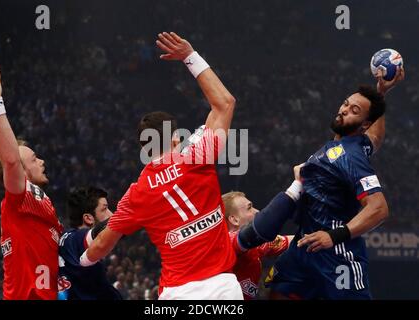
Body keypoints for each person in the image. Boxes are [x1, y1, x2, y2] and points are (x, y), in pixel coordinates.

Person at [79, 32, 241, 300]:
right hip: (222, 287)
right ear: (176, 138)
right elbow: (225, 104)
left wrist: (81, 261)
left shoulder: (136, 194)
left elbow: (102, 245)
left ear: (145, 148)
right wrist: (190, 56)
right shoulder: (198, 156)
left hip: (175, 294)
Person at [265, 67, 405, 299]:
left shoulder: (351, 156)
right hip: (304, 245)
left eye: (354, 110)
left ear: (364, 123)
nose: (344, 110)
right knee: (278, 293)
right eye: (346, 104)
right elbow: (375, 139)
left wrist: (334, 236)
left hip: (336, 252)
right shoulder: (355, 144)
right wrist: (380, 93)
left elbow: (378, 209)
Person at [0, 60, 63, 299]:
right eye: (35, 159)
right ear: (21, 174)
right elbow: (12, 161)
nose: (42, 161)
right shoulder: (18, 197)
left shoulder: (44, 205)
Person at [222, 190, 293, 299]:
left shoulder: (258, 244)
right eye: (249, 208)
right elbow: (247, 236)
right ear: (234, 219)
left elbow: (297, 240)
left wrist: (327, 235)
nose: (257, 211)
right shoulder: (225, 244)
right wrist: (295, 189)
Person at [58, 187, 122, 300]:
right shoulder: (74, 239)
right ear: (88, 218)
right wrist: (130, 215)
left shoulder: (68, 241)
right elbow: (100, 232)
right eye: (104, 209)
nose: (111, 214)